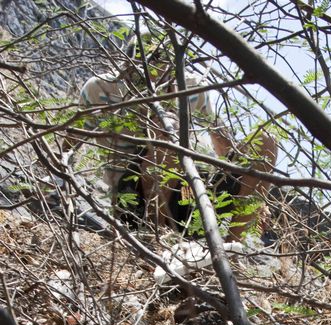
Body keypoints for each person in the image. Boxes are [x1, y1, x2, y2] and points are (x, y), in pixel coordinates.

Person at [66, 36, 278, 241]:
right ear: (128, 66)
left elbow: (225, 146)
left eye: (164, 76)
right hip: (132, 201)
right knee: (166, 131)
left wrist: (256, 193)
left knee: (265, 141)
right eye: (145, 75)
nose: (155, 83)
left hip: (187, 195)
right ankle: (155, 237)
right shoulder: (101, 88)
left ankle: (233, 251)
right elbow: (69, 143)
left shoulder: (192, 88)